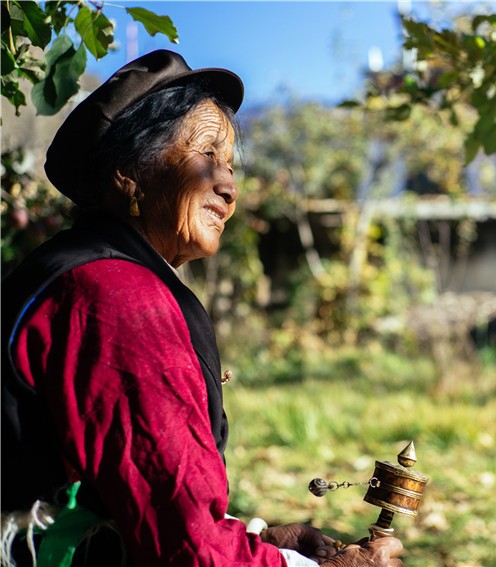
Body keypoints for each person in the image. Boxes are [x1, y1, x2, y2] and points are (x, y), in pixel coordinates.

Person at [1, 50, 404, 567]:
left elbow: (139, 498)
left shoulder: (79, 271)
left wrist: (265, 544)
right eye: (206, 153)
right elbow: (188, 550)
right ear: (129, 173)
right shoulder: (116, 297)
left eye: (230, 164)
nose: (229, 187)